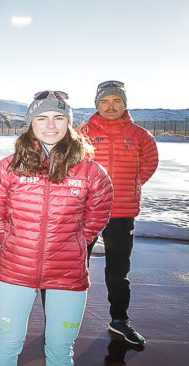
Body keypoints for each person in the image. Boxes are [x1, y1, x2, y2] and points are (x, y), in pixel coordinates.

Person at [0, 91, 113, 366]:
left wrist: (74, 244)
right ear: (30, 124)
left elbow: (97, 214)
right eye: (42, 118)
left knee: (59, 346)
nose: (50, 125)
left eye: (58, 117)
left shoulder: (90, 171)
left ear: (70, 124)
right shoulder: (6, 168)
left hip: (67, 274)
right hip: (16, 270)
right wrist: (15, 242)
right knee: (9, 339)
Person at [78, 80, 159, 347]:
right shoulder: (83, 133)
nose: (110, 106)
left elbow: (148, 165)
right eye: (105, 101)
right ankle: (69, 318)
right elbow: (73, 167)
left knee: (118, 269)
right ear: (97, 104)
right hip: (87, 210)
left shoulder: (140, 135)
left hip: (123, 212)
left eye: (116, 102)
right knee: (78, 266)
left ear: (124, 104)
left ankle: (120, 320)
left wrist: (129, 186)